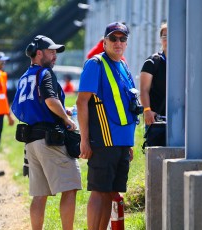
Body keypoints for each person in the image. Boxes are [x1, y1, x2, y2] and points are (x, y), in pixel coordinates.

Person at [11, 35, 82, 230]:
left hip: (31, 142)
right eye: (51, 51)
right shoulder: (45, 73)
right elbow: (50, 100)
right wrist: (66, 119)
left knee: (39, 195)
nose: (55, 56)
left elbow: (17, 108)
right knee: (71, 187)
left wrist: (56, 111)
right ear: (39, 53)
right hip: (50, 141)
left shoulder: (25, 76)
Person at [76, 22, 139, 230]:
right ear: (104, 42)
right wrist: (84, 140)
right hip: (104, 140)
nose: (118, 42)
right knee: (99, 192)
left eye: (122, 39)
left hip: (121, 142)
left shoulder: (123, 65)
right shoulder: (95, 64)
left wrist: (128, 143)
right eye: (113, 38)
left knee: (111, 193)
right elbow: (81, 101)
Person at [140, 22, 167, 126]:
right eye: (164, 36)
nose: (168, 39)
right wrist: (147, 110)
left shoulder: (183, 61)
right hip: (156, 118)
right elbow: (144, 90)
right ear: (160, 39)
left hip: (180, 118)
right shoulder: (152, 62)